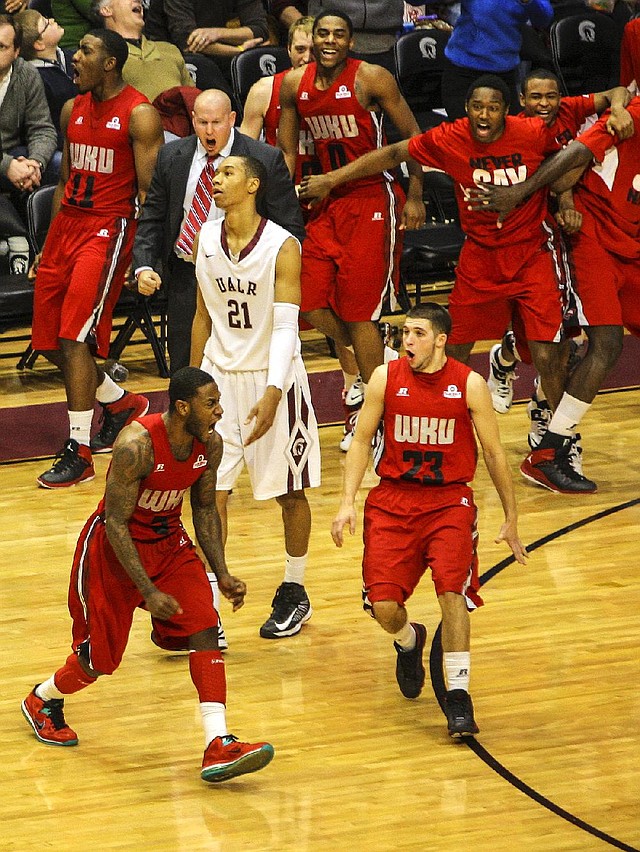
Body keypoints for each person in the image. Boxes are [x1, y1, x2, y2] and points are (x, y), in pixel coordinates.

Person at [21, 366, 275, 783]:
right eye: (210, 404)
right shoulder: (136, 445)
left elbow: (206, 508)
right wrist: (149, 591)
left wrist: (223, 572)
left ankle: (218, 742)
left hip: (168, 544)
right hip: (113, 552)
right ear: (182, 406)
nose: (219, 411)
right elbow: (116, 523)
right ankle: (42, 699)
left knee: (204, 625)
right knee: (100, 661)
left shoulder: (208, 445)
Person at [300, 75, 575, 452]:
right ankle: (443, 426)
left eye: (493, 107)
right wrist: (333, 178)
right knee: (452, 350)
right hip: (479, 255)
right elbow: (394, 153)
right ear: (466, 109)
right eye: (477, 106)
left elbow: (573, 157)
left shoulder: (530, 131)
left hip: (532, 255)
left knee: (547, 353)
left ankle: (561, 444)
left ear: (507, 112)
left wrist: (538, 194)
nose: (484, 114)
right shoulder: (450, 137)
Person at [331, 302, 527, 737]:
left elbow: (494, 454)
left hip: (447, 503)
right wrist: (347, 500)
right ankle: (409, 641)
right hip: (393, 500)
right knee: (383, 607)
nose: (408, 341)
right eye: (404, 333)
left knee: (452, 594)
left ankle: (458, 696)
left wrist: (511, 516)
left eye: (418, 333)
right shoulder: (386, 377)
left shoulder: (469, 385)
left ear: (440, 339)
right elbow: (361, 439)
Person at [178, 154, 320, 639]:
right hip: (220, 380)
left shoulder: (283, 246)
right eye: (213, 174)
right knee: (210, 493)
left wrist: (275, 391)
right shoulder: (204, 238)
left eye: (227, 174)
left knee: (288, 491)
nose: (215, 180)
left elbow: (286, 326)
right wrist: (193, 385)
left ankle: (294, 590)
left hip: (272, 378)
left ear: (254, 185)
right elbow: (202, 314)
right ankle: (211, 601)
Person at [467, 97, 640, 494]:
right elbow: (571, 159)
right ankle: (552, 448)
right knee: (600, 344)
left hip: (631, 243)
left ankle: (511, 357)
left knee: (570, 345)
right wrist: (523, 192)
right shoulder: (628, 116)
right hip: (589, 238)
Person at [279, 10, 425, 441]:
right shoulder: (293, 85)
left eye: (338, 35)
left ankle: (381, 416)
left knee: (361, 315)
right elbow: (288, 151)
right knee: (306, 301)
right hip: (324, 203)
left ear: (351, 42)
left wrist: (415, 194)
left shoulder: (372, 78)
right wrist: (283, 199)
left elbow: (412, 139)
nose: (328, 41)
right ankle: (376, 363)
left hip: (371, 199)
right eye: (322, 33)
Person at [30, 29, 164, 488]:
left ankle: (81, 451)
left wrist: (140, 257)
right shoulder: (72, 108)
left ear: (110, 62)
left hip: (108, 230)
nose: (75, 59)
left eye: (85, 51)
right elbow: (65, 182)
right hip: (67, 227)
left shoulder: (140, 113)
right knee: (48, 340)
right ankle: (120, 401)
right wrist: (46, 243)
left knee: (73, 337)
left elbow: (150, 194)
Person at [486, 68, 632, 421]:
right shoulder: (516, 133)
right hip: (533, 232)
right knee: (542, 341)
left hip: (571, 231)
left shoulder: (568, 109)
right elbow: (555, 179)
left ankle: (543, 408)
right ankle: (505, 358)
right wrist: (566, 201)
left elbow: (617, 89)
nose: (544, 104)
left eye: (550, 96)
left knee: (564, 336)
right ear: (521, 101)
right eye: (535, 97)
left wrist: (618, 109)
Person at [133, 88, 304, 374]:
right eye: (202, 123)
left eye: (217, 122)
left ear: (232, 119)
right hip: (187, 275)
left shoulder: (264, 159)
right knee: (186, 373)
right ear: (193, 119)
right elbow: (152, 216)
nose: (209, 130)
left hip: (247, 280)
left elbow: (290, 228)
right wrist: (144, 266)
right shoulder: (171, 155)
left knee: (244, 368)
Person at [0, 14, 57, 273]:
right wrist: (6, 165)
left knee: (56, 163)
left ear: (16, 51)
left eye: (1, 47)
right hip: (6, 161)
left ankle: (46, 251)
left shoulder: (26, 74)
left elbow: (43, 128)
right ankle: (15, 237)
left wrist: (35, 163)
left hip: (14, 156)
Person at [439, 0, 553, 120]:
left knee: (510, 134)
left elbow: (543, 19)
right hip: (464, 75)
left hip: (505, 76)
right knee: (466, 134)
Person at [92, 0, 196, 103]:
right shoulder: (99, 54)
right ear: (106, 10)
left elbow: (193, 101)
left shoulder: (169, 50)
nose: (139, 1)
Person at [14, 9, 76, 180]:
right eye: (46, 23)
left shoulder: (73, 57)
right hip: (55, 145)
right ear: (39, 44)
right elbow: (39, 128)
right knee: (64, 164)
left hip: (81, 139)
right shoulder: (35, 77)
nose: (52, 19)